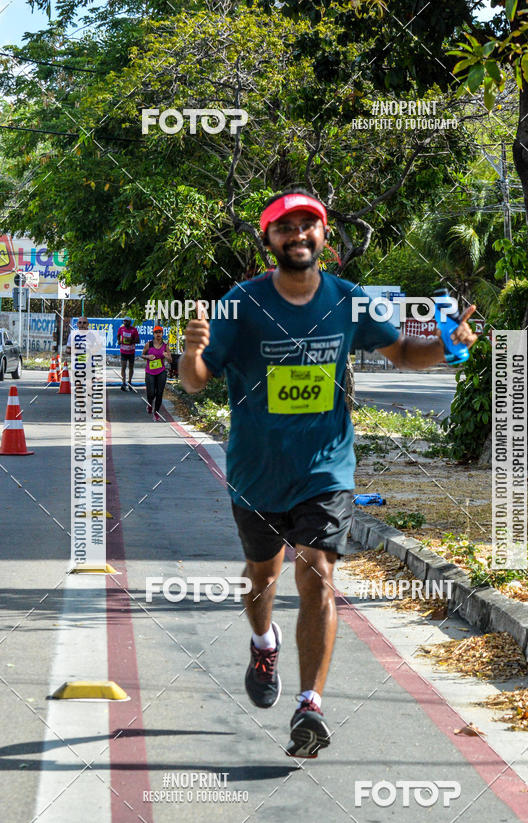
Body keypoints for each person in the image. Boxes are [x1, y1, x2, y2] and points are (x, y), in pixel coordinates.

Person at [179, 189, 478, 758]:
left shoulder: (349, 300)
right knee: (262, 575)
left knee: (317, 572)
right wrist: (189, 352)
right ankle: (263, 643)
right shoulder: (240, 305)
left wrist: (443, 344)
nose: (298, 236)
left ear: (324, 237)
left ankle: (309, 705)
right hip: (257, 472)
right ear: (269, 240)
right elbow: (196, 380)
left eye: (308, 226)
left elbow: (402, 354)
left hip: (326, 469)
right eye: (285, 227)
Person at [142, 325, 171, 421]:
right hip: (150, 371)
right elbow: (142, 355)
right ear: (153, 334)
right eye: (156, 332)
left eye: (160, 332)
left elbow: (170, 360)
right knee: (151, 393)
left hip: (161, 372)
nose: (158, 334)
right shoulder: (148, 344)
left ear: (162, 334)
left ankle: (156, 412)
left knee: (159, 393)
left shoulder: (165, 346)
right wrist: (148, 357)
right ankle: (150, 405)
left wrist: (167, 356)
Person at [117, 315, 140, 391]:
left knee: (131, 367)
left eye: (127, 321)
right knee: (123, 367)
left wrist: (131, 340)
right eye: (124, 321)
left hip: (131, 351)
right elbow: (118, 335)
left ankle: (129, 382)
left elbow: (138, 340)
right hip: (123, 351)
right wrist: (119, 341)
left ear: (130, 322)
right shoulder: (121, 329)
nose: (125, 322)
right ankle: (123, 383)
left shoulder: (134, 330)